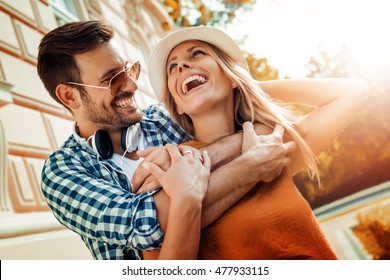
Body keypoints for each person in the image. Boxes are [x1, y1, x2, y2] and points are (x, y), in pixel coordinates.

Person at [37, 20, 293, 259]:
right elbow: (148, 224)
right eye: (112, 79)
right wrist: (252, 167)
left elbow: (258, 122)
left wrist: (200, 155)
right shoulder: (62, 172)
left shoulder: (162, 117)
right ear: (70, 97)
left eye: (129, 70)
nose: (132, 86)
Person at [141, 26, 369, 259]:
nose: (181, 66)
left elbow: (353, 91)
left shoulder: (273, 144)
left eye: (197, 54)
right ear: (177, 105)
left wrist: (244, 84)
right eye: (172, 67)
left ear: (230, 75)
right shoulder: (168, 164)